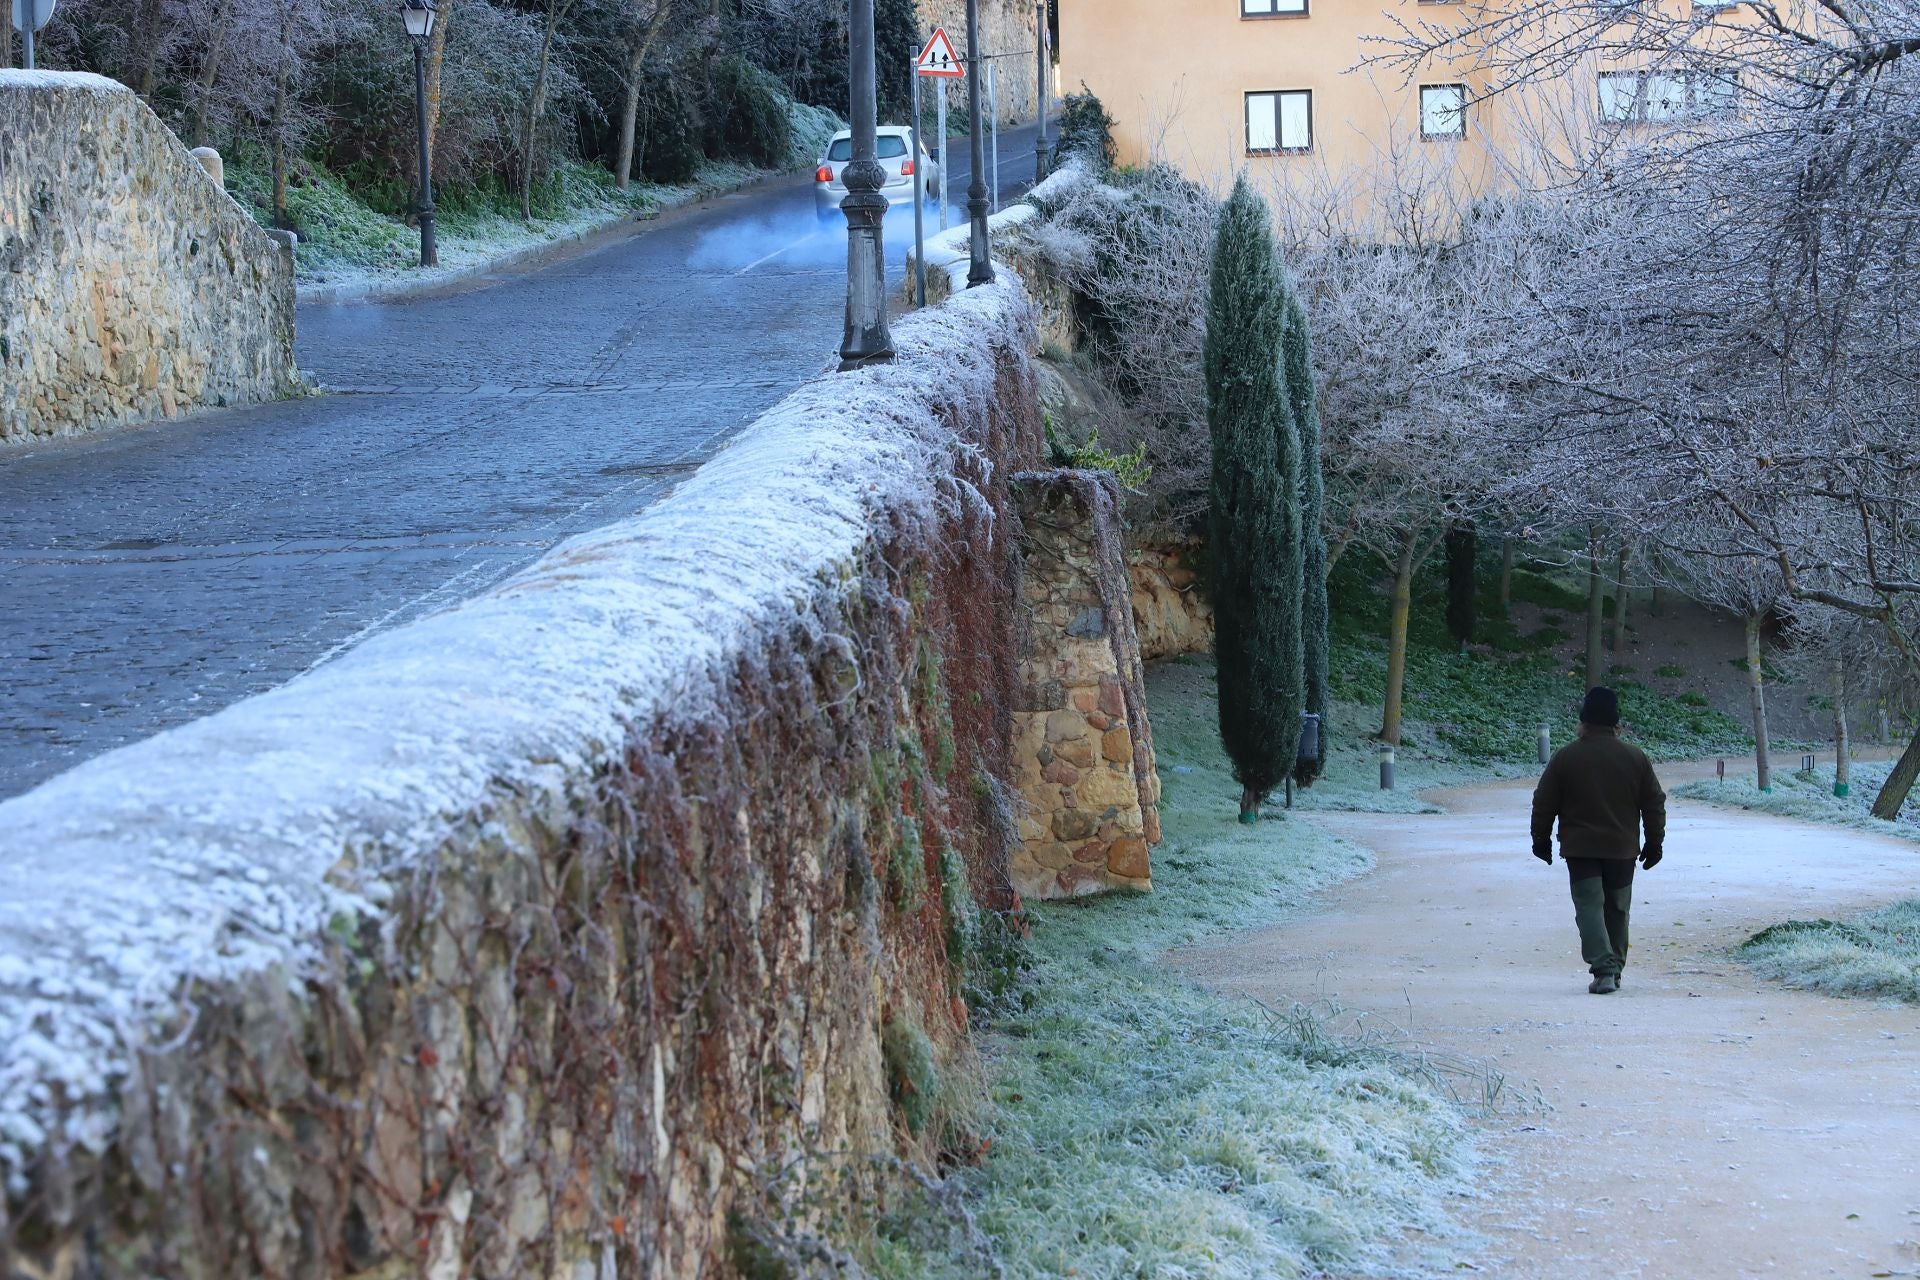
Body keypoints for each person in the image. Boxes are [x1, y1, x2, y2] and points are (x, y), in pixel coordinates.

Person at [1531, 686, 1666, 994]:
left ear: (1584, 721)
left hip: (1581, 849)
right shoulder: (1635, 758)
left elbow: (1544, 801)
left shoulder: (1566, 757)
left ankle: (1603, 969)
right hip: (1622, 848)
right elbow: (1654, 802)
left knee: (1590, 907)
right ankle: (1614, 967)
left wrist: (1541, 838)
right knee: (1618, 907)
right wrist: (1654, 842)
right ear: (1616, 722)